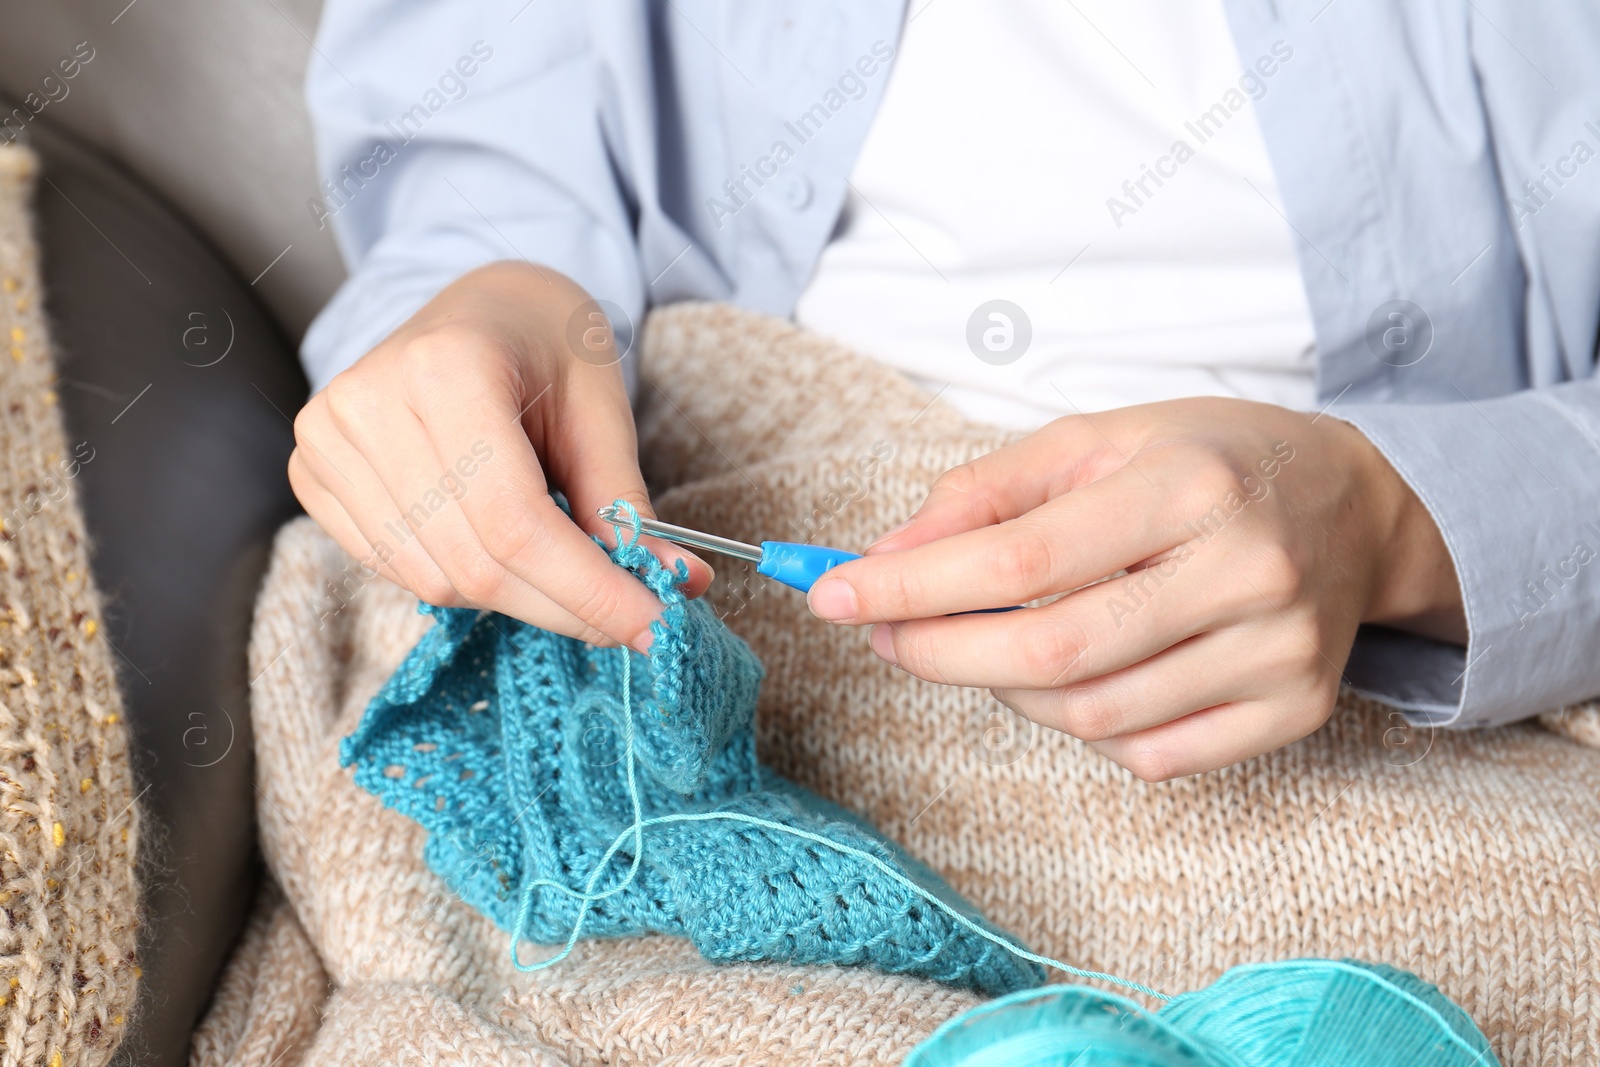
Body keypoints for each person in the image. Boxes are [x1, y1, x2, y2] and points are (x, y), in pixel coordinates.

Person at [291, 0, 1600, 782]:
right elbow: (466, 169)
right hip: (718, 495)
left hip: (1396, 692)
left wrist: (1387, 524)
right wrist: (494, 301)